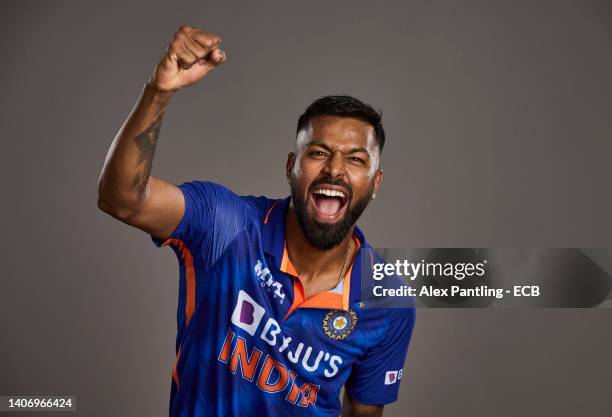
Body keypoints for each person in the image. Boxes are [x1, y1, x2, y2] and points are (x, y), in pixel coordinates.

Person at [98, 25, 415, 417]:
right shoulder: (225, 225)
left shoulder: (387, 301)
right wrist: (159, 92)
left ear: (375, 182)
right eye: (318, 153)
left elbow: (364, 412)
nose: (335, 170)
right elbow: (122, 200)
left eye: (355, 159)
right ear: (291, 167)